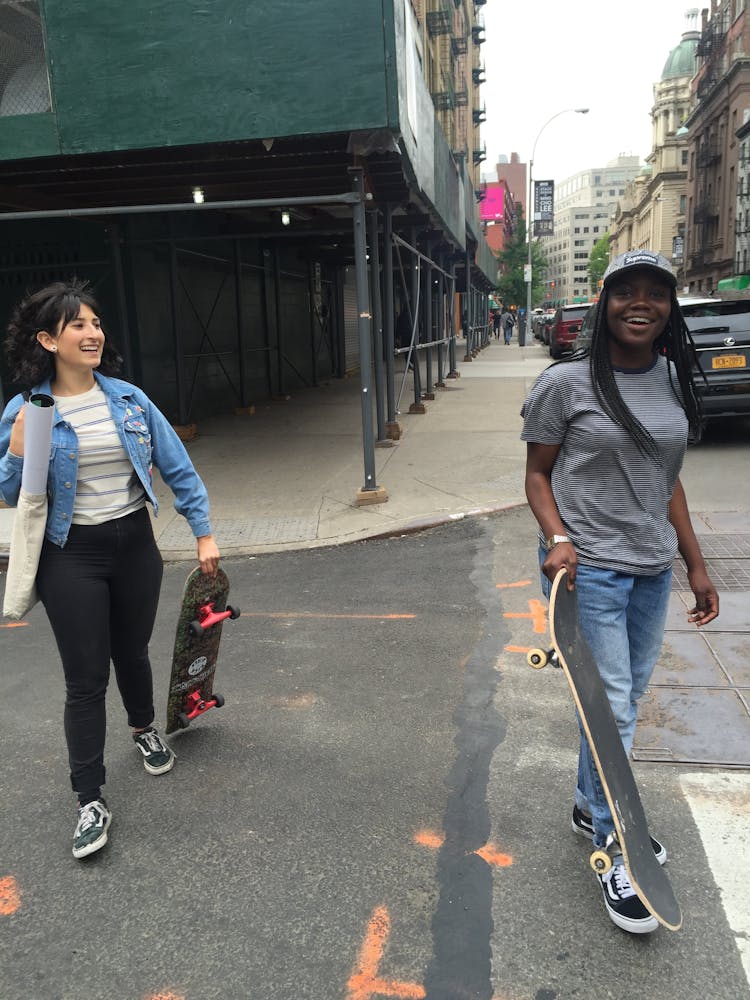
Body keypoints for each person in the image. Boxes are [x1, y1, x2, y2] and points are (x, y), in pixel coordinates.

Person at [520, 251, 719, 934]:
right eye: (626, 292)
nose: (642, 303)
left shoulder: (667, 376)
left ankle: (587, 803)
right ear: (604, 304)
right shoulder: (566, 384)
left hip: (651, 567)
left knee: (622, 701)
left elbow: (668, 480)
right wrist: (556, 539)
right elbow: (538, 476)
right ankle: (614, 845)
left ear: (670, 308)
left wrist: (695, 563)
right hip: (589, 568)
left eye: (656, 294)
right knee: (612, 711)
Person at [0, 280, 220, 860]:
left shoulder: (128, 399)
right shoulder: (29, 410)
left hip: (135, 546)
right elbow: (8, 492)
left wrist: (203, 531)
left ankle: (144, 728)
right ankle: (89, 799)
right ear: (48, 339)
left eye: (95, 323)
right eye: (77, 324)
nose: (92, 332)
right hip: (70, 554)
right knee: (85, 676)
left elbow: (177, 464)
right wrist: (18, 450)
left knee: (133, 649)